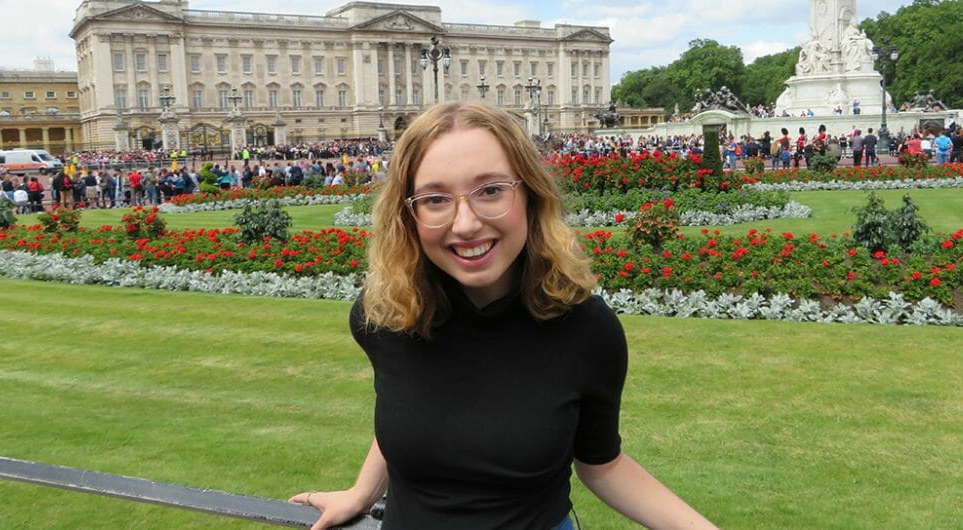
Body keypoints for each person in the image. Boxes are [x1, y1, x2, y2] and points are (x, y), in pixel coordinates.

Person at [288, 102, 715, 530]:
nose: (465, 224)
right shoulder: (385, 315)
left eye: (491, 191)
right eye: (435, 199)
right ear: (408, 214)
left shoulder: (586, 329)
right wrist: (362, 492)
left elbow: (602, 465)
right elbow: (408, 405)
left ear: (530, 194)